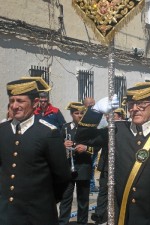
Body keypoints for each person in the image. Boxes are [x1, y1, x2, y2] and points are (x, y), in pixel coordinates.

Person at [75, 82, 150, 225]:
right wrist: (95, 111)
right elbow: (82, 137)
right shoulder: (117, 130)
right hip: (123, 214)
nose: (135, 109)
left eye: (141, 104)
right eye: (131, 104)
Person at [0, 77, 71, 225]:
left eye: (20, 101)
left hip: (37, 213)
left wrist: (44, 199)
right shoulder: (2, 130)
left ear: (35, 103)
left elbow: (62, 176)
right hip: (7, 213)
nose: (14, 105)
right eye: (12, 100)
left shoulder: (48, 132)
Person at [59, 102, 97, 225]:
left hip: (83, 166)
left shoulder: (90, 129)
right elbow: (55, 145)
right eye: (76, 113)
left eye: (82, 113)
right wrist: (63, 145)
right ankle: (63, 222)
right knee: (66, 198)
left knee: (83, 199)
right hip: (68, 167)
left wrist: (86, 148)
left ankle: (82, 222)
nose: (79, 115)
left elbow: (96, 146)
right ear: (71, 114)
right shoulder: (65, 127)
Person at [91, 108, 127, 225]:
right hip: (106, 166)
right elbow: (95, 144)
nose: (108, 117)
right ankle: (100, 215)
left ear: (120, 116)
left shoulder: (126, 130)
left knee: (118, 193)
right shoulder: (106, 130)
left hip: (120, 167)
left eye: (112, 115)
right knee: (103, 192)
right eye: (107, 115)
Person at [83, 97, 101, 193]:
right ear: (85, 106)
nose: (92, 107)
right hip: (83, 146)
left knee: (92, 165)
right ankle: (87, 185)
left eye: (93, 105)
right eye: (89, 105)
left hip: (94, 147)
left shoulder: (97, 115)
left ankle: (91, 184)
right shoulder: (82, 116)